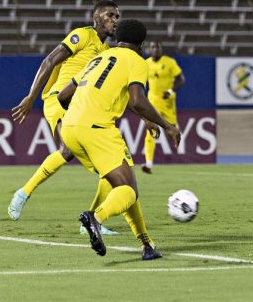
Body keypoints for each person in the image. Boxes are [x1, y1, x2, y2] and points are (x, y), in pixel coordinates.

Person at [58, 19, 181, 260]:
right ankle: (96, 217)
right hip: (98, 128)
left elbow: (63, 96)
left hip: (71, 128)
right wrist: (166, 125)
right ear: (141, 44)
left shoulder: (98, 59)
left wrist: (82, 111)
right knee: (128, 190)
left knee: (124, 185)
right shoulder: (136, 60)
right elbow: (136, 100)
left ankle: (147, 245)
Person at [8, 0, 121, 236]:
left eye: (117, 16)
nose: (115, 20)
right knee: (67, 149)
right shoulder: (81, 36)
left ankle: (91, 222)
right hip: (57, 99)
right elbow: (49, 60)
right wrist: (31, 97)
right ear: (97, 17)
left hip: (80, 109)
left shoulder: (108, 52)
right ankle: (23, 193)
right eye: (110, 15)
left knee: (109, 170)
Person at [141, 41, 186, 174]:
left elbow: (181, 79)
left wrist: (171, 91)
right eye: (153, 47)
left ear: (161, 49)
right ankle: (148, 163)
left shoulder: (169, 62)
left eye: (157, 47)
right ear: (149, 49)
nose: (155, 50)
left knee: (171, 128)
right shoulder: (146, 64)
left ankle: (179, 148)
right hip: (152, 102)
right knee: (150, 131)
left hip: (167, 101)